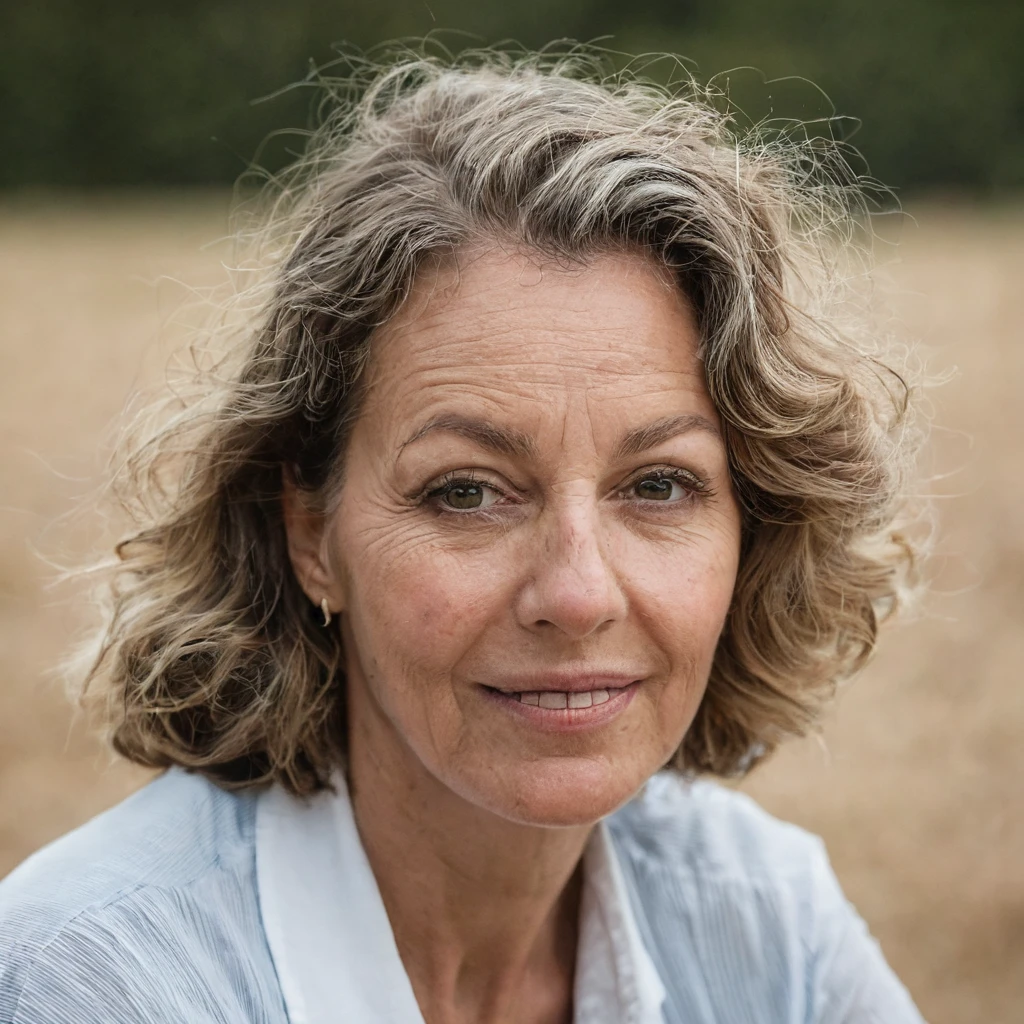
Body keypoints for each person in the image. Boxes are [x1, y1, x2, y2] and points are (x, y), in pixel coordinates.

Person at [0, 52, 927, 1023]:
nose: (577, 594)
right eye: (467, 493)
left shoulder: (767, 929)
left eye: (657, 484)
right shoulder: (85, 982)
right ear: (311, 530)